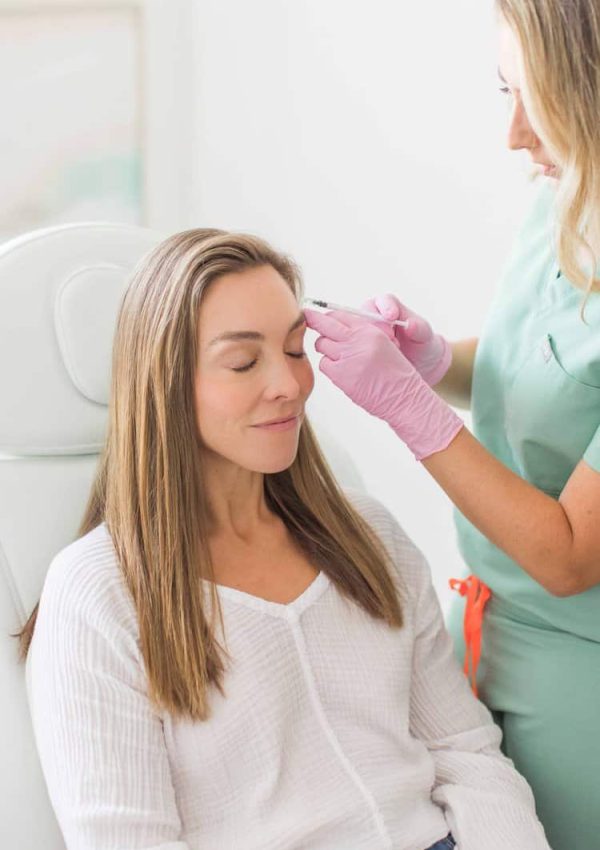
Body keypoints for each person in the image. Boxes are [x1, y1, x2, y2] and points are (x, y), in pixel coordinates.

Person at [20, 230, 550, 850]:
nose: (290, 385)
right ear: (163, 383)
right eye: (244, 362)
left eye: (297, 350)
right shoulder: (100, 594)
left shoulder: (366, 535)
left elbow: (465, 751)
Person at [304, 1, 600, 849]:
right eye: (502, 91)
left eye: (533, 98)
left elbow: (571, 553)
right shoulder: (566, 195)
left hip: (578, 664)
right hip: (482, 634)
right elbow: (544, 367)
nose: (513, 134)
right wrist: (436, 361)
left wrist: (408, 404)